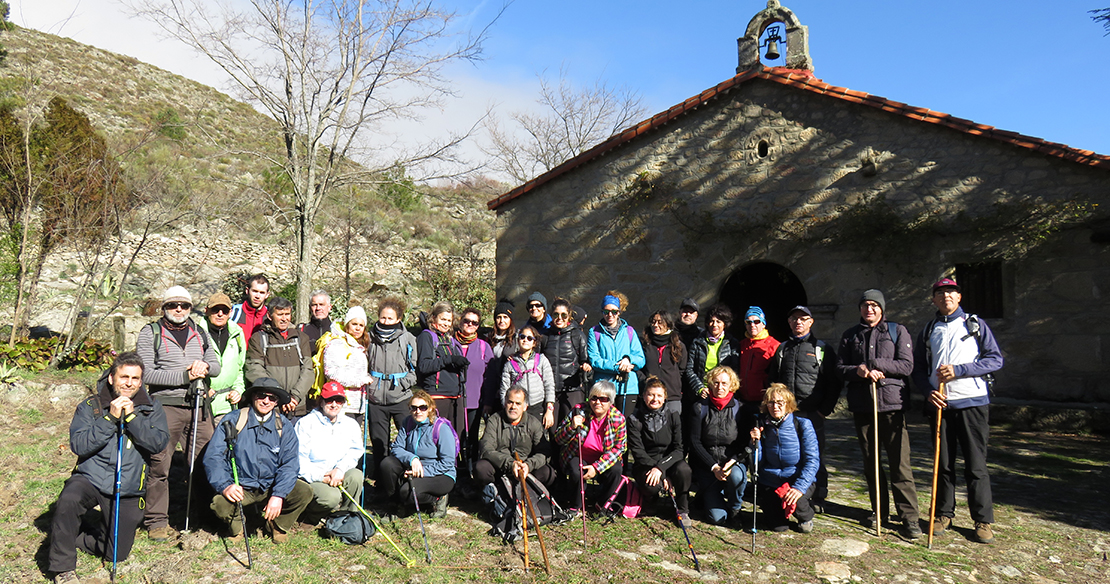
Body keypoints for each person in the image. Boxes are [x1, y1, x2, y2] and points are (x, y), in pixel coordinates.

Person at [47, 352, 169, 584]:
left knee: (116, 553)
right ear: (112, 378)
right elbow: (79, 445)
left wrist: (132, 418)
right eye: (124, 377)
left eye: (135, 378)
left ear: (141, 381)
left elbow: (157, 444)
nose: (129, 383)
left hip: (129, 485)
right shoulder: (91, 406)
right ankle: (63, 569)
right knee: (69, 498)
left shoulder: (152, 408)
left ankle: (71, 534)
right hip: (90, 477)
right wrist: (110, 419)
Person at [912, 278, 1004, 544]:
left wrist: (960, 370)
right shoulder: (929, 329)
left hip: (972, 403)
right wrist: (929, 392)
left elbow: (994, 359)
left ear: (959, 297)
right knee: (943, 463)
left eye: (950, 292)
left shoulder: (974, 324)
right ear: (933, 300)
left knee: (976, 464)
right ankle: (942, 514)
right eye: (940, 293)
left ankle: (983, 521)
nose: (945, 297)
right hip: (940, 404)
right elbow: (918, 368)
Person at [135, 285, 221, 542]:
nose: (179, 310)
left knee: (206, 462)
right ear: (164, 308)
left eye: (184, 305)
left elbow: (216, 365)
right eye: (173, 305)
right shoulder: (150, 333)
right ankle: (157, 521)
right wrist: (184, 375)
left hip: (198, 406)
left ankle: (204, 516)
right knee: (160, 464)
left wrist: (204, 367)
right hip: (165, 407)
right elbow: (146, 373)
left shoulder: (200, 332)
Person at [835, 289, 921, 539]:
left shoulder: (897, 331)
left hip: (891, 407)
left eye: (874, 305)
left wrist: (876, 364)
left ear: (882, 308)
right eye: (865, 305)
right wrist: (858, 371)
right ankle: (880, 511)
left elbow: (906, 365)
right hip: (863, 406)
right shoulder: (850, 335)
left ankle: (909, 517)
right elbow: (839, 368)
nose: (869, 309)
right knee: (871, 464)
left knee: (900, 465)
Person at [204, 377, 313, 543]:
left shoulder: (284, 426)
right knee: (219, 503)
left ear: (277, 402)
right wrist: (226, 486)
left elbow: (290, 465)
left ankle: (276, 526)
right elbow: (214, 457)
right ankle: (238, 528)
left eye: (272, 398)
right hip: (241, 486)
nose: (266, 401)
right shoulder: (233, 420)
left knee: (304, 492)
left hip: (271, 485)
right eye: (261, 395)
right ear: (253, 396)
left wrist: (278, 495)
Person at [766, 305, 839, 512]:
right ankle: (792, 491)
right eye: (794, 319)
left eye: (803, 319)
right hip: (788, 414)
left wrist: (824, 410)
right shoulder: (783, 349)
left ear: (811, 322)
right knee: (790, 454)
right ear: (789, 323)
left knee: (815, 455)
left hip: (813, 412)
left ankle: (819, 495)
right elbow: (774, 380)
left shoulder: (822, 349)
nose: (798, 322)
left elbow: (833, 383)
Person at [749, 383, 820, 533]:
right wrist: (756, 443)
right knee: (778, 527)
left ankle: (805, 514)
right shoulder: (761, 425)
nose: (775, 406)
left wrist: (799, 487)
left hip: (796, 479)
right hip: (771, 480)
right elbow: (758, 464)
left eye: (780, 402)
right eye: (771, 402)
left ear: (788, 404)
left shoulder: (803, 425)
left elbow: (812, 461)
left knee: (798, 502)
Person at [378, 391, 457, 519]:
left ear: (430, 408)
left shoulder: (441, 428)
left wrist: (422, 471)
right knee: (387, 463)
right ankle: (395, 504)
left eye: (423, 407)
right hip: (413, 469)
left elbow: (447, 463)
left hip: (440, 474)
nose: (418, 411)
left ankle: (437, 498)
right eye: (413, 408)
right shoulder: (407, 422)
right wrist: (412, 459)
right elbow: (396, 447)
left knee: (407, 492)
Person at [294, 381, 365, 522]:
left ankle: (346, 517)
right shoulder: (306, 423)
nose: (334, 404)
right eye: (329, 400)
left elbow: (355, 450)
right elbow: (299, 459)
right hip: (313, 477)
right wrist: (322, 476)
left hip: (338, 473)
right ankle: (311, 516)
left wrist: (340, 469)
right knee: (331, 497)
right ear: (321, 402)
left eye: (339, 400)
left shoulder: (350, 424)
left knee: (356, 476)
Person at [689, 366, 750, 526]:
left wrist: (733, 461)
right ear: (710, 384)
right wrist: (714, 467)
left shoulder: (741, 409)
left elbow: (744, 442)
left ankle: (735, 509)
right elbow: (695, 442)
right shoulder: (699, 407)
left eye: (724, 383)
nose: (720, 387)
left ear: (732, 385)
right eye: (716, 383)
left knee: (737, 476)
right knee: (717, 518)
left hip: (731, 462)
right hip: (708, 466)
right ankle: (709, 494)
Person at [627, 377, 692, 526]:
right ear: (644, 396)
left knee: (684, 470)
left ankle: (682, 509)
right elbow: (638, 452)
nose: (654, 399)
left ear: (665, 398)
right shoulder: (634, 418)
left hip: (670, 460)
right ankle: (651, 501)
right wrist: (660, 473)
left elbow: (679, 449)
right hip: (645, 463)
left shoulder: (673, 415)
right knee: (652, 484)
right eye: (650, 395)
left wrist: (661, 468)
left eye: (659, 396)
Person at [553, 381, 627, 510]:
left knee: (616, 469)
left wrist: (596, 468)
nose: (597, 402)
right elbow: (558, 439)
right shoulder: (578, 411)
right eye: (594, 398)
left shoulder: (618, 419)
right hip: (579, 454)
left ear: (611, 402)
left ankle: (602, 503)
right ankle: (576, 506)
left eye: (603, 399)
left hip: (604, 457)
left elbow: (620, 448)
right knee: (575, 469)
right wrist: (571, 427)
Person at [366, 297, 419, 479]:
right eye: (383, 318)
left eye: (390, 319)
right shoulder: (369, 338)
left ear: (398, 319)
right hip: (376, 398)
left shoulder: (408, 339)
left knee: (408, 440)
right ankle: (382, 481)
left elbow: (414, 369)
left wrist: (402, 385)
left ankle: (406, 478)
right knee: (379, 443)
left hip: (401, 397)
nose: (386, 322)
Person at [475, 386, 557, 496]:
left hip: (526, 469)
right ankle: (495, 494)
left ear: (525, 407)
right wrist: (510, 463)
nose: (513, 407)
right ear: (505, 403)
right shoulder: (494, 420)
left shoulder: (534, 423)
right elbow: (486, 448)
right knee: (481, 468)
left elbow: (544, 451)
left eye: (518, 403)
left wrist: (528, 465)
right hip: (501, 467)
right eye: (510, 402)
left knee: (548, 473)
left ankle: (529, 493)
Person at [246, 296, 314, 419]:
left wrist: (294, 397)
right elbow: (254, 370)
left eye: (287, 314)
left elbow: (308, 370)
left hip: (296, 408)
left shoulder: (301, 338)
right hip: (270, 407)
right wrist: (278, 395)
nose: (284, 318)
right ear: (270, 316)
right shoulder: (259, 339)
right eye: (280, 314)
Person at [587, 290, 646, 416]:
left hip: (628, 387)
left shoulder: (629, 331)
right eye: (606, 311)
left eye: (614, 311)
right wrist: (618, 366)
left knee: (626, 425)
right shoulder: (594, 332)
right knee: (605, 426)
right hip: (604, 388)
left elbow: (640, 358)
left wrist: (628, 360)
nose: (610, 315)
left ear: (619, 312)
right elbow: (595, 360)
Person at [456, 307, 497, 484]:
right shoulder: (450, 343)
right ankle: (456, 471)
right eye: (467, 321)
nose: (470, 325)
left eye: (475, 323)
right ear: (460, 321)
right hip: (453, 400)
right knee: (455, 437)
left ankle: (471, 471)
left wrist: (487, 401)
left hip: (475, 401)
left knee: (472, 438)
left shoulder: (483, 346)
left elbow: (491, 377)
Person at [198, 292, 247, 426]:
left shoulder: (237, 333)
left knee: (226, 445)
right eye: (215, 310)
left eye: (224, 311)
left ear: (230, 312)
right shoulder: (196, 334)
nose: (220, 314)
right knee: (202, 446)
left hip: (228, 404)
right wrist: (202, 388)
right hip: (202, 404)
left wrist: (238, 390)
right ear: (206, 311)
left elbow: (241, 368)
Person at [543, 298, 592, 429]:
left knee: (572, 428)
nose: (560, 318)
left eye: (564, 315)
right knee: (553, 430)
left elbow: (585, 360)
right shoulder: (546, 337)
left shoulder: (577, 335)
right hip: (551, 391)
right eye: (556, 315)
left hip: (572, 390)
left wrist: (586, 367)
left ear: (569, 316)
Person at [321, 305, 372, 422]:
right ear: (347, 324)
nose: (358, 328)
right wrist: (361, 380)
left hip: (357, 405)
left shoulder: (359, 345)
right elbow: (331, 373)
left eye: (361, 325)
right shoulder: (337, 344)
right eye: (354, 324)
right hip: (341, 404)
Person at [683, 303, 739, 405]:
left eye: (718, 321)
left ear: (725, 324)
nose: (714, 325)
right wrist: (700, 388)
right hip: (701, 394)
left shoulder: (732, 343)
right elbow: (689, 369)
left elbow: (735, 370)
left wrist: (725, 389)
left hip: (723, 394)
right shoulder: (697, 342)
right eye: (711, 321)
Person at [500, 324, 555, 427]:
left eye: (529, 338)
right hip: (517, 408)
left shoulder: (542, 360)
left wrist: (549, 409)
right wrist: (507, 409)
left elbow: (549, 385)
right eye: (522, 337)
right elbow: (504, 389)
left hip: (538, 406)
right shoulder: (509, 364)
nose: (525, 340)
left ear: (534, 343)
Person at [640, 310, 687, 415]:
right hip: (650, 396)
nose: (655, 325)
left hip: (672, 396)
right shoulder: (644, 345)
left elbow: (682, 369)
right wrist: (645, 380)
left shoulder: (678, 346)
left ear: (668, 324)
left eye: (660, 322)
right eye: (653, 322)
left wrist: (673, 382)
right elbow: (638, 367)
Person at [737, 306, 780, 417]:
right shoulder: (741, 345)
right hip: (742, 400)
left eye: (756, 322)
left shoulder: (774, 346)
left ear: (763, 324)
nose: (752, 325)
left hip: (763, 402)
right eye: (748, 322)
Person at [230, 273, 270, 345]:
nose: (257, 296)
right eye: (254, 291)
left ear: (267, 295)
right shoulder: (234, 312)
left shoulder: (270, 316)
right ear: (247, 291)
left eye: (262, 292)